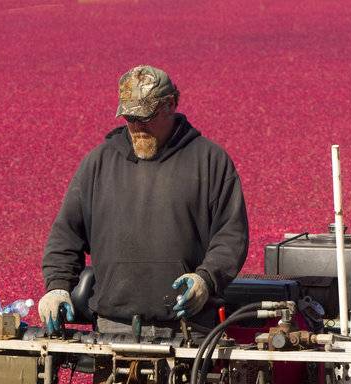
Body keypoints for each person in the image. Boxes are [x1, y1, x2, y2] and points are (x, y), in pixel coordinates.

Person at [40, 65, 249, 334]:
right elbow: (66, 235)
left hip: (188, 327)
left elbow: (231, 235)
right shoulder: (99, 163)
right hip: (113, 326)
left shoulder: (210, 162)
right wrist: (57, 287)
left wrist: (205, 280)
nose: (137, 127)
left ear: (171, 104)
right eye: (130, 117)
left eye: (146, 117)